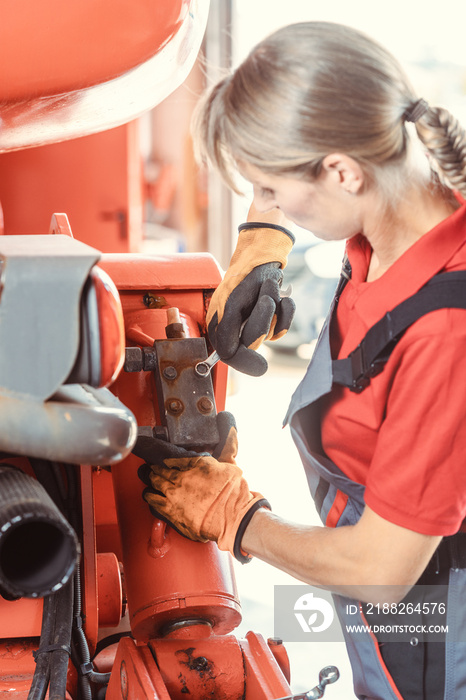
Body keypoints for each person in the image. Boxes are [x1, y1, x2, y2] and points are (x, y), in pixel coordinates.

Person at [133, 21, 466, 700]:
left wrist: (238, 518)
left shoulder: (447, 332)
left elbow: (381, 569)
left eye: (273, 188)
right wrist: (265, 234)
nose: (271, 203)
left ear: (342, 171)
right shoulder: (395, 211)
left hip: (432, 623)